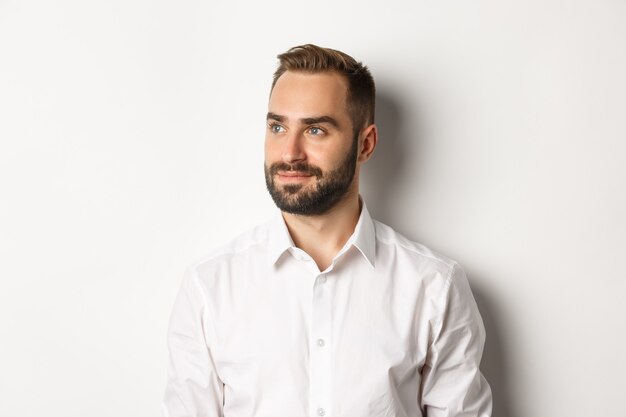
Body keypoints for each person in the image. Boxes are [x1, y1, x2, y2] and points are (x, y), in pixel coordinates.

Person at [162, 44, 492, 417]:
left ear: (365, 144)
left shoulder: (434, 287)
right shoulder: (209, 288)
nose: (289, 152)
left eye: (315, 130)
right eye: (277, 126)